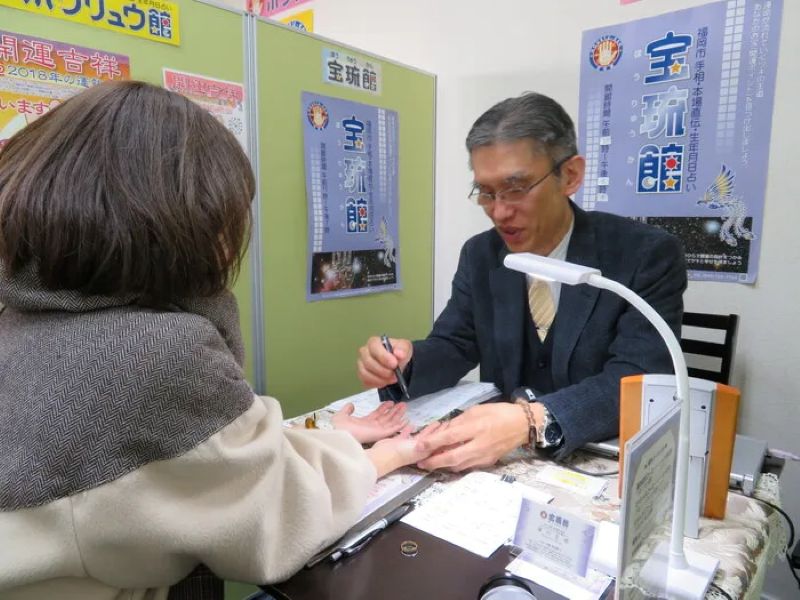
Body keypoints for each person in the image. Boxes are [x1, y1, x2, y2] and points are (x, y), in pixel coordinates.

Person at [0, 81, 436, 599]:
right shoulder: (150, 351)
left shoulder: (21, 315)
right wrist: (391, 454)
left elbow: (191, 466)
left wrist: (338, 436)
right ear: (186, 220)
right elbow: (275, 520)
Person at [357, 92, 687, 470]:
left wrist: (531, 419)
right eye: (486, 192)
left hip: (601, 458)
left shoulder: (643, 254)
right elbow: (455, 343)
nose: (499, 211)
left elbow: (639, 379)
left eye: (516, 188)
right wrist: (404, 361)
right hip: (502, 462)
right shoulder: (481, 255)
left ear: (570, 175)